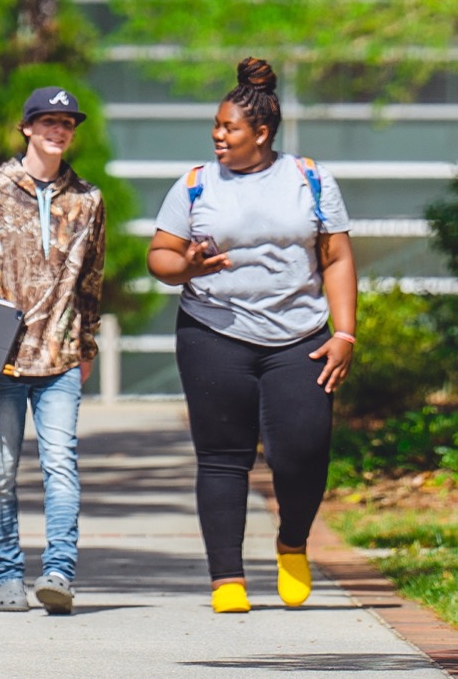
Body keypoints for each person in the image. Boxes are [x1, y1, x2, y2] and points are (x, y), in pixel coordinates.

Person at [147, 57, 358, 614]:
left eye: (229, 127)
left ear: (261, 133)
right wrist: (188, 266)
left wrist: (345, 334)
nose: (218, 136)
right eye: (216, 127)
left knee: (303, 453)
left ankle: (292, 542)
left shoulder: (309, 178)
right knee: (222, 457)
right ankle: (228, 579)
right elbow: (160, 256)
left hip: (300, 335)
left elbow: (336, 258)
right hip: (214, 331)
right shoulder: (195, 184)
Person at [0, 86, 106, 615]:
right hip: (0, 359)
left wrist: (86, 346)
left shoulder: (88, 200)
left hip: (59, 358)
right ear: (28, 127)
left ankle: (59, 571)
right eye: (49, 122)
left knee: (62, 464)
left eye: (68, 124)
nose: (59, 131)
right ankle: (7, 575)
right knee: (0, 471)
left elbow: (92, 282)